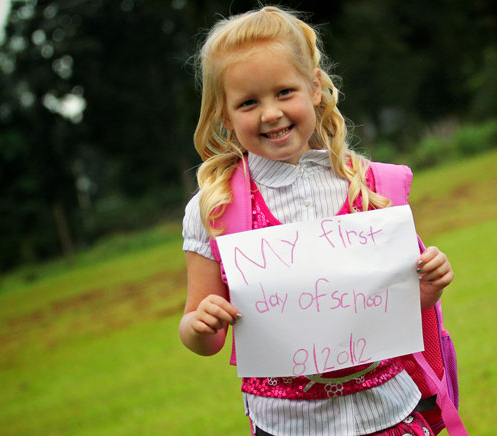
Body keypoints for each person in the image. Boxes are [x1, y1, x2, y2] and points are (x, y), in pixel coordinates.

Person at [180, 6, 454, 436]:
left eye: (284, 92)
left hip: (387, 413)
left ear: (315, 89)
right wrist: (200, 325)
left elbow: (394, 308)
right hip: (286, 427)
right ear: (225, 115)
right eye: (249, 102)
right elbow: (202, 336)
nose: (270, 113)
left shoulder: (370, 186)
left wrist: (427, 287)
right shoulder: (214, 209)